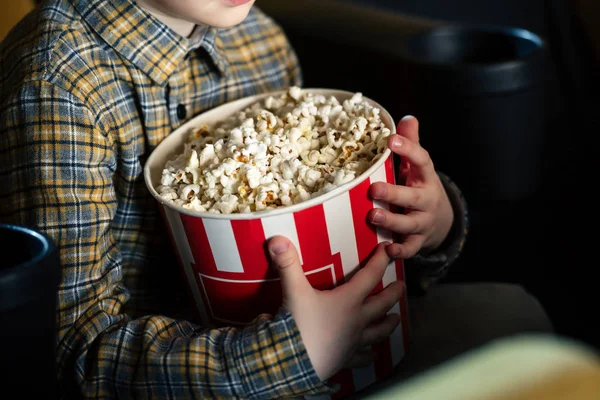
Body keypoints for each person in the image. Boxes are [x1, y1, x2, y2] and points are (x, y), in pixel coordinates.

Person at [0, 0, 552, 399]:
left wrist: (425, 223)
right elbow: (69, 355)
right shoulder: (59, 86)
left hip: (357, 334)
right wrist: (291, 355)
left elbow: (331, 224)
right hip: (196, 375)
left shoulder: (259, 38)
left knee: (520, 314)